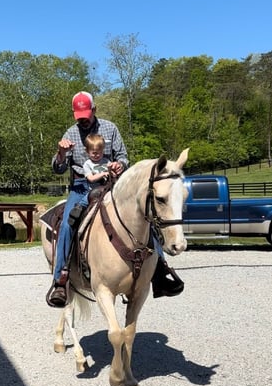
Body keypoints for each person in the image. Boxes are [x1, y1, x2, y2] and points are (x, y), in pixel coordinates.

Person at [46, 91, 185, 308]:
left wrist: (119, 165)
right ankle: (61, 279)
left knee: (147, 215)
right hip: (82, 187)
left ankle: (160, 271)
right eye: (78, 115)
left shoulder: (110, 128)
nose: (83, 119)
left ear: (94, 110)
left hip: (111, 186)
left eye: (86, 113)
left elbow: (123, 157)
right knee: (66, 223)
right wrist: (61, 154)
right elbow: (58, 168)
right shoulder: (71, 133)